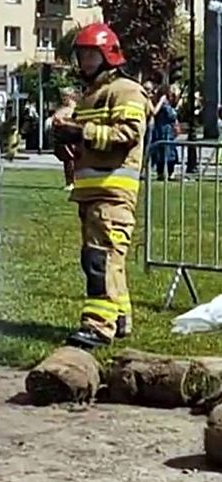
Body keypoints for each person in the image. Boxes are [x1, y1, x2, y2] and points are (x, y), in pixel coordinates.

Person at [52, 22, 150, 349]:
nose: (85, 63)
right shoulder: (92, 95)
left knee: (100, 259)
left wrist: (82, 133)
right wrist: (67, 144)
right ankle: (119, 318)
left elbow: (128, 135)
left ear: (109, 55)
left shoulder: (125, 90)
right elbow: (91, 141)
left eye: (92, 56)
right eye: (82, 56)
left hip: (113, 192)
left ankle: (98, 326)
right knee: (108, 259)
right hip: (93, 191)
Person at [149, 84, 180, 181]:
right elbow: (154, 112)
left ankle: (170, 173)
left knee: (171, 153)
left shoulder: (170, 104)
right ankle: (161, 172)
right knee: (161, 152)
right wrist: (161, 100)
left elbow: (174, 117)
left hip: (169, 131)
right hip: (161, 130)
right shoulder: (161, 103)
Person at [52, 90, 79, 190]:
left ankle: (73, 182)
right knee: (67, 160)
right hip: (63, 137)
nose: (63, 99)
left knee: (71, 160)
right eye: (62, 96)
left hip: (71, 137)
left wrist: (64, 121)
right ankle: (70, 182)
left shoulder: (75, 109)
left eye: (65, 96)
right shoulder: (63, 109)